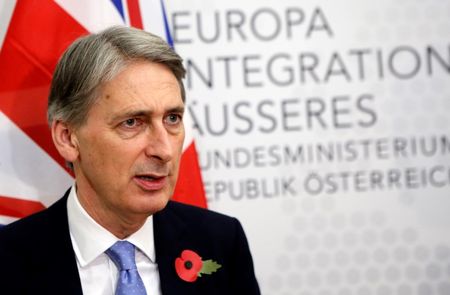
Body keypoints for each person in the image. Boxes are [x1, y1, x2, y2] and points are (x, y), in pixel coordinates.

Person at [0, 26, 260, 295]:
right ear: (67, 138)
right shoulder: (7, 260)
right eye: (132, 122)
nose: (165, 150)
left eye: (172, 118)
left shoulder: (220, 242)